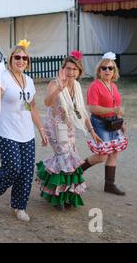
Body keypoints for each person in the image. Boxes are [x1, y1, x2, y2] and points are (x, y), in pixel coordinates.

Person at [0, 40, 48, 222]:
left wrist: (41, 129)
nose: (21, 60)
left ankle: (19, 207)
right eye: (17, 57)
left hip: (26, 133)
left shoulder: (29, 81)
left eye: (24, 58)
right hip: (5, 131)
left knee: (26, 172)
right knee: (12, 168)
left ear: (28, 61)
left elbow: (32, 106)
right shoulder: (1, 77)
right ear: (11, 59)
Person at [36, 50, 103, 210]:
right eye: (68, 68)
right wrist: (60, 88)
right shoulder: (55, 83)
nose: (71, 72)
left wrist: (92, 132)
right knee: (65, 158)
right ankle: (58, 198)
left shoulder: (78, 86)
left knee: (69, 158)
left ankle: (64, 195)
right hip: (56, 126)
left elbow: (82, 111)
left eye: (74, 69)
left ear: (79, 71)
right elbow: (47, 103)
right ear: (63, 69)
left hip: (69, 127)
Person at [80, 52, 128, 195]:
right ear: (99, 71)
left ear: (114, 71)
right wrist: (113, 109)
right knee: (102, 155)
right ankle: (76, 171)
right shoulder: (95, 86)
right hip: (100, 123)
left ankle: (109, 184)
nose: (107, 70)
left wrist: (122, 122)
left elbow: (117, 107)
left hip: (113, 123)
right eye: (104, 68)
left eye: (110, 68)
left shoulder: (113, 86)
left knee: (114, 152)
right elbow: (92, 108)